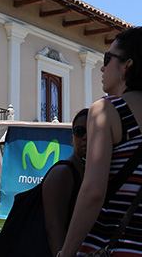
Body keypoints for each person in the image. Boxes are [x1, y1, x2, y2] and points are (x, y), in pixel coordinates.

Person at [59, 26, 142, 257]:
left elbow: (93, 192)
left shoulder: (106, 111)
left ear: (127, 65)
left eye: (108, 58)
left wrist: (67, 253)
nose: (102, 67)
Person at [42, 108, 88, 255]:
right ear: (72, 138)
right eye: (80, 131)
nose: (86, 137)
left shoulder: (92, 172)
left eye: (93, 130)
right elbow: (54, 229)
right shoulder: (63, 173)